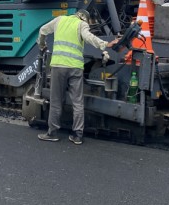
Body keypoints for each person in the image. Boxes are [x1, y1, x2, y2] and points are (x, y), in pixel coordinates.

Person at [36, 10, 117, 145]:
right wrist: (105, 44)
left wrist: (42, 44)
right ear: (84, 18)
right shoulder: (81, 24)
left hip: (59, 66)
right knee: (77, 102)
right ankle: (77, 135)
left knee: (56, 101)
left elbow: (43, 30)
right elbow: (89, 37)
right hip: (75, 67)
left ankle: (52, 133)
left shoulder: (59, 20)